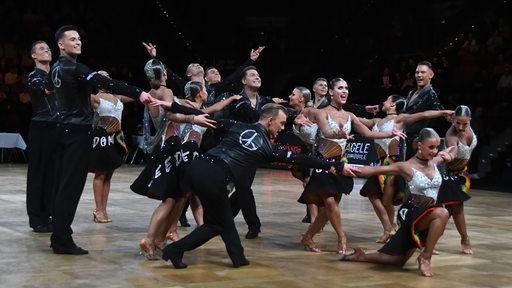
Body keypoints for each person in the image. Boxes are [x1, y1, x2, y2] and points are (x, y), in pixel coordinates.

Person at [161, 103, 356, 269]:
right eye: (281, 123)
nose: (281, 128)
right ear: (270, 120)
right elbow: (301, 158)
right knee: (216, 224)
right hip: (214, 176)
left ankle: (237, 258)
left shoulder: (237, 125)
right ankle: (175, 250)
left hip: (197, 167)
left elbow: (203, 116)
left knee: (222, 220)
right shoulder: (266, 148)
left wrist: (172, 106)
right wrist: (335, 165)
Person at [47, 24, 156, 255]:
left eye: (79, 39)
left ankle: (59, 236)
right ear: (61, 44)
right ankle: (62, 240)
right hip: (77, 133)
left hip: (63, 129)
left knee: (63, 185)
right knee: (71, 187)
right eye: (73, 39)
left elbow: (49, 90)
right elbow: (108, 85)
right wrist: (139, 93)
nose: (78, 42)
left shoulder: (55, 68)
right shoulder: (74, 68)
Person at [298, 77, 405, 255]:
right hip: (323, 163)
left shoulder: (350, 116)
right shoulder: (322, 112)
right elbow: (325, 131)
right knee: (330, 203)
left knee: (327, 211)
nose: (345, 91)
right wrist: (336, 133)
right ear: (331, 92)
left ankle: (308, 236)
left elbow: (369, 133)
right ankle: (342, 237)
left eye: (346, 88)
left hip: (340, 165)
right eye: (340, 88)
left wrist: (388, 134)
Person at [131, 58, 216, 260]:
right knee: (171, 199)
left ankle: (159, 238)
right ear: (164, 75)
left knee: (179, 196)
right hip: (171, 147)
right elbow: (171, 116)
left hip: (164, 148)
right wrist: (192, 118)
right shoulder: (167, 92)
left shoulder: (150, 93)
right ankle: (152, 238)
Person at [341, 128, 455, 277]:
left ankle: (362, 256)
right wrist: (345, 168)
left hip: (427, 214)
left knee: (398, 260)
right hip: (411, 212)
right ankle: (425, 258)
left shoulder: (435, 162)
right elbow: (374, 170)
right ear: (420, 146)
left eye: (437, 148)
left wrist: (451, 155)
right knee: (443, 212)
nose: (435, 151)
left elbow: (452, 154)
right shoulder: (406, 166)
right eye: (431, 147)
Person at [358, 94, 454, 243]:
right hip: (380, 164)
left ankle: (395, 229)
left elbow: (423, 114)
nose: (384, 101)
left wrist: (443, 112)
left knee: (387, 200)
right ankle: (389, 228)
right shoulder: (376, 121)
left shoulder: (399, 119)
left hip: (395, 166)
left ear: (393, 104)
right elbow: (354, 120)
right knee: (371, 193)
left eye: (387, 99)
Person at [227, 65, 287, 239]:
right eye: (252, 75)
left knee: (242, 188)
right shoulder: (238, 99)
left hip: (256, 149)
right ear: (244, 81)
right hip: (239, 149)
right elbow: (255, 116)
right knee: (244, 187)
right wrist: (271, 111)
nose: (257, 77)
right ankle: (253, 224)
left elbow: (279, 114)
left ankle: (223, 218)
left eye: (258, 74)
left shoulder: (266, 101)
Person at [89, 83, 134, 223]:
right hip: (102, 137)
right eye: (101, 76)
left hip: (116, 137)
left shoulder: (117, 97)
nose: (105, 78)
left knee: (108, 174)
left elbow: (133, 95)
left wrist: (118, 86)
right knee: (100, 173)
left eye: (107, 76)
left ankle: (104, 209)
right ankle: (98, 209)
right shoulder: (94, 98)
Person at [436, 105, 477, 255]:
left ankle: (430, 239)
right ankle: (465, 239)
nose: (460, 127)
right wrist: (450, 155)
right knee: (454, 208)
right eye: (457, 123)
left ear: (470, 120)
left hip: (462, 175)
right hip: (448, 174)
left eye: (464, 123)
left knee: (451, 210)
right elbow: (452, 149)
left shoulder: (467, 125)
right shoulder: (451, 135)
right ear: (452, 120)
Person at [25, 40, 56, 233]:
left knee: (53, 175)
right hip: (41, 128)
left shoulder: (54, 74)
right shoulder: (34, 76)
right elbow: (46, 90)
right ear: (34, 56)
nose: (47, 51)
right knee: (38, 175)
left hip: (57, 128)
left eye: (48, 48)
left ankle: (49, 214)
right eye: (42, 49)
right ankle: (36, 217)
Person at [403, 60, 445, 160]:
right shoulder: (411, 92)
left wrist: (446, 114)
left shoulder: (431, 94)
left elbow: (438, 111)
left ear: (431, 75)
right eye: (417, 72)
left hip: (416, 141)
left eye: (423, 72)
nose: (419, 75)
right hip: (403, 136)